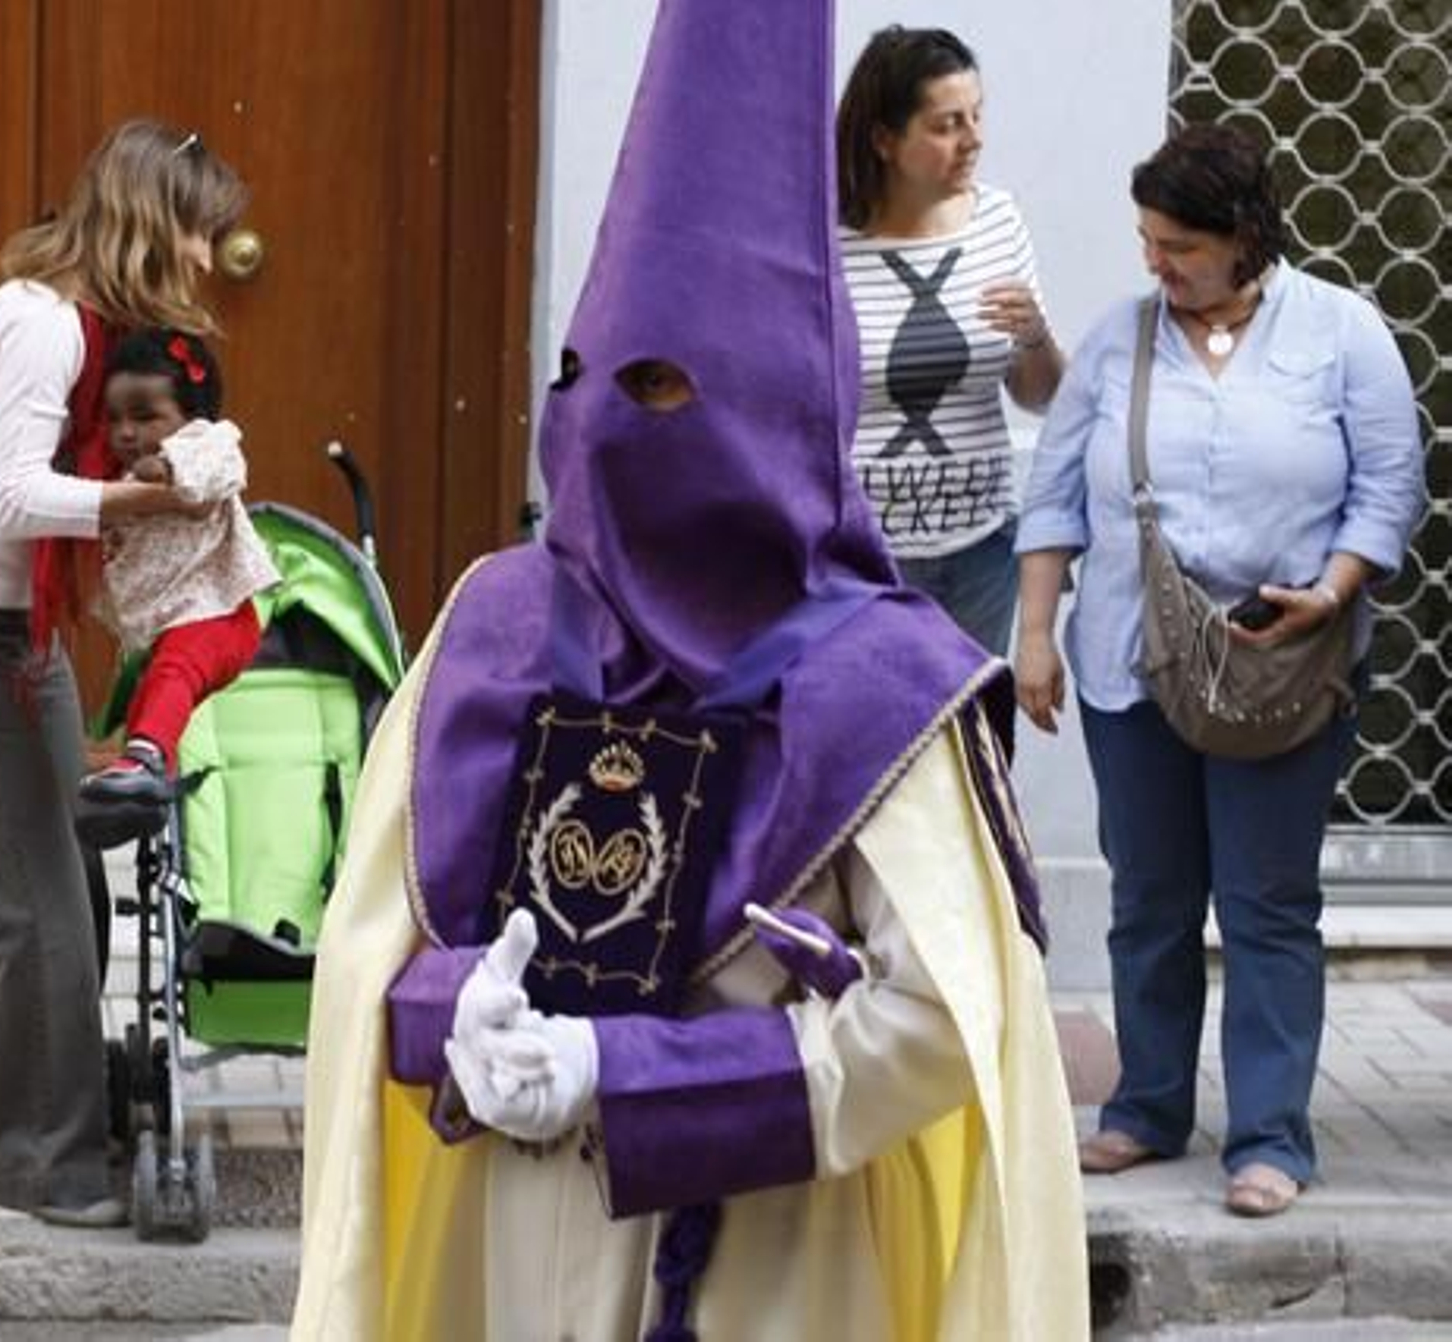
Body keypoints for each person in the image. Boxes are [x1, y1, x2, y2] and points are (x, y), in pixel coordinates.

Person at [294, 2, 1088, 1338]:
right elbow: (378, 942)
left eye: (660, 389)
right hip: (524, 1235)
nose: (606, 423)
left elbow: (944, 1016)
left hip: (765, 1252)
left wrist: (634, 1071)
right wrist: (461, 1018)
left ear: (780, 407)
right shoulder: (494, 623)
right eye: (581, 378)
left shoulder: (880, 683)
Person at [1014, 124, 1424, 1218]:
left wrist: (1332, 590)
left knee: (1266, 903)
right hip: (1127, 661)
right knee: (1149, 897)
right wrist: (1037, 632)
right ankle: (1146, 1108)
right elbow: (1053, 493)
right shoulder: (1117, 343)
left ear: (1245, 237)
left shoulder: (1342, 333)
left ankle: (1270, 1137)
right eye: (1148, 240)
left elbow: (1390, 486)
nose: (1156, 263)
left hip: (1279, 666)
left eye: (1179, 245)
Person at [0, 120, 247, 1228]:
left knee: (70, 887)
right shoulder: (43, 330)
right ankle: (43, 1164)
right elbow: (13, 502)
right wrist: (156, 498)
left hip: (4, 645)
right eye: (196, 230)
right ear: (145, 218)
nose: (208, 259)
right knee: (42, 915)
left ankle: (26, 1124)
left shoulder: (87, 328)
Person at [836, 26, 1064, 655]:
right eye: (945, 125)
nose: (974, 139)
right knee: (874, 740)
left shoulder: (998, 220)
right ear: (885, 140)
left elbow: (1040, 395)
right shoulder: (825, 245)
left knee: (968, 742)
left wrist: (1036, 336)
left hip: (983, 550)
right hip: (863, 560)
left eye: (976, 115)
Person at [77, 328, 279, 819]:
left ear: (191, 415)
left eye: (146, 417)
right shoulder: (125, 480)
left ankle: (145, 760)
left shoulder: (206, 444)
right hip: (171, 627)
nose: (127, 432)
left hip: (222, 617)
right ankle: (140, 786)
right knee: (153, 690)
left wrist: (170, 467)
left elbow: (222, 468)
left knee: (174, 672)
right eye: (115, 418)